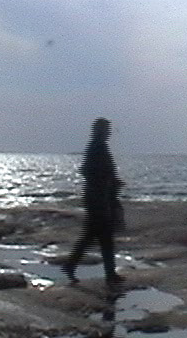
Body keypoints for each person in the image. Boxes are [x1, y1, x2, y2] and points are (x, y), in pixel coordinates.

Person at [64, 117, 126, 289]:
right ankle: (107, 273)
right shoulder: (96, 147)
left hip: (101, 196)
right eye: (106, 130)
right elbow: (88, 171)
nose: (109, 133)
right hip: (98, 198)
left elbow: (101, 171)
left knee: (97, 236)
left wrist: (113, 182)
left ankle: (106, 272)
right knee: (101, 236)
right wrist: (106, 183)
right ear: (99, 131)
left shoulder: (99, 146)